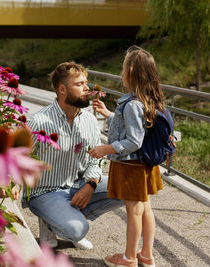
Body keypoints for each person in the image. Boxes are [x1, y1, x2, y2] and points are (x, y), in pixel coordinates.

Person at [23, 61, 123, 250]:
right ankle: (51, 220)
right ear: (62, 89)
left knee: (129, 187)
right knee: (77, 230)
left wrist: (90, 184)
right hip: (45, 191)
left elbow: (96, 159)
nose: (87, 89)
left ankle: (66, 216)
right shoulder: (38, 121)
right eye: (79, 84)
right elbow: (16, 156)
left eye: (86, 83)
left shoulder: (90, 120)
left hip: (78, 184)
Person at [89, 46, 163, 267]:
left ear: (130, 71)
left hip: (131, 166)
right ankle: (146, 256)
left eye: (123, 68)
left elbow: (133, 141)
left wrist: (107, 149)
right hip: (144, 164)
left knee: (134, 210)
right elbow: (131, 129)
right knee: (145, 207)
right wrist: (109, 114)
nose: (121, 73)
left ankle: (129, 258)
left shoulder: (132, 105)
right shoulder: (145, 99)